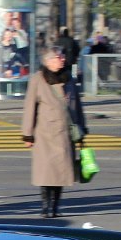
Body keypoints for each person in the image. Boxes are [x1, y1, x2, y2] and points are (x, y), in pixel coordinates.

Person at [21, 46, 86, 218]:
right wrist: (28, 134)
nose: (62, 59)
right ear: (48, 61)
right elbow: (30, 107)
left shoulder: (68, 78)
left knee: (60, 174)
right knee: (46, 173)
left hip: (65, 134)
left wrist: (82, 129)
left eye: (63, 56)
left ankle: (55, 207)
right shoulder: (37, 79)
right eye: (59, 57)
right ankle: (45, 206)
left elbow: (77, 105)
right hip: (44, 134)